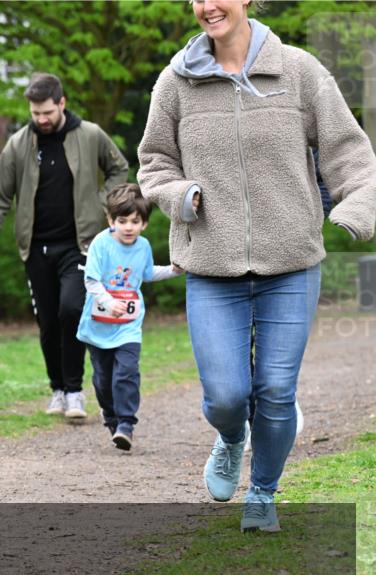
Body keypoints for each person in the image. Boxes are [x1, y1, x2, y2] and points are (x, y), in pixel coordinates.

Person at [138, 0, 376, 532]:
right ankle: (230, 437)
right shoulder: (175, 83)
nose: (207, 6)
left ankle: (263, 492)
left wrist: (357, 209)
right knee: (226, 396)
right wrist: (181, 195)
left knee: (275, 391)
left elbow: (350, 152)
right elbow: (153, 162)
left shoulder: (299, 71)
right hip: (211, 265)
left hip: (290, 264)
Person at [0, 73, 129, 421]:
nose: (42, 119)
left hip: (80, 245)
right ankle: (58, 388)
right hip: (36, 249)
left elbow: (118, 168)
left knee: (71, 310)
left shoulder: (89, 134)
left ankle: (75, 391)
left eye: (47, 112)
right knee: (47, 322)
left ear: (62, 103)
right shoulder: (18, 144)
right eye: (35, 113)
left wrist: (102, 205)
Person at [76, 184, 183, 451]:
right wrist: (109, 302)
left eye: (135, 222)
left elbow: (146, 273)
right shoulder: (101, 244)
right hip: (98, 326)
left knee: (126, 373)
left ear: (144, 224)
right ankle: (111, 417)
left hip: (128, 327)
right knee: (103, 381)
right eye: (122, 221)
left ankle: (126, 424)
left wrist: (173, 270)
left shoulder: (143, 246)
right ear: (111, 220)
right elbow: (91, 280)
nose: (128, 227)